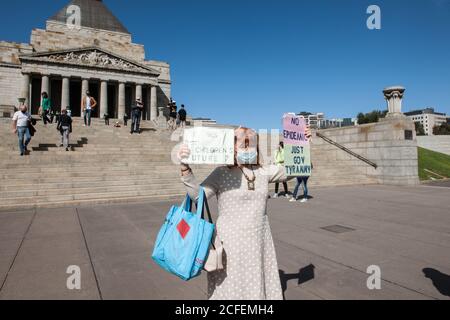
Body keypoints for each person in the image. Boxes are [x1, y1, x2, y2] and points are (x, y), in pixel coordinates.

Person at [177, 126, 311, 300]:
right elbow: (198, 197)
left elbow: (292, 170)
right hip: (229, 243)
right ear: (232, 147)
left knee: (255, 282)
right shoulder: (221, 173)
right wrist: (185, 168)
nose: (249, 149)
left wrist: (303, 144)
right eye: (244, 144)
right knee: (231, 285)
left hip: (258, 241)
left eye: (252, 144)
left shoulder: (263, 171)